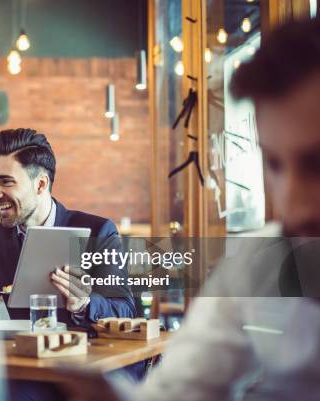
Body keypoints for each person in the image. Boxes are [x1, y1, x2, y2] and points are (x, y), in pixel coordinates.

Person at [109, 17, 320, 401]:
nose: (293, 202)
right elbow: (181, 390)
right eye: (274, 164)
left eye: (317, 164)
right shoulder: (260, 261)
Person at [0, 128, 137, 401]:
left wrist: (84, 303)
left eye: (6, 182)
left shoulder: (98, 231)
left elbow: (126, 311)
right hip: (29, 367)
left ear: (40, 184)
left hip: (90, 366)